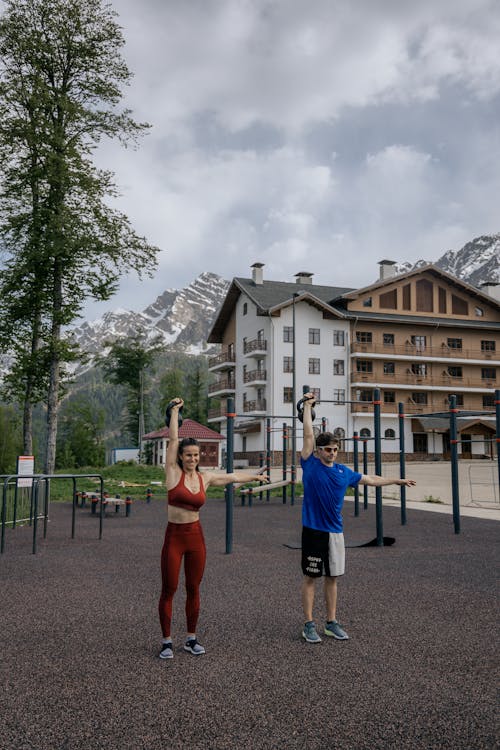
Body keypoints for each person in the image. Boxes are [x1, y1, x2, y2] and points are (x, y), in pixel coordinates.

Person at [299, 393, 416, 644]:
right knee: (311, 578)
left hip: (335, 532)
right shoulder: (309, 463)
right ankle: (309, 624)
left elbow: (371, 480)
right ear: (318, 451)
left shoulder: (344, 472)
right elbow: (308, 434)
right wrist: (307, 406)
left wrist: (396, 480)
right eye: (328, 450)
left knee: (333, 578)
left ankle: (331, 622)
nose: (332, 453)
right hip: (313, 530)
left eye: (335, 449)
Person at [158, 397, 270, 659]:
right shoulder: (172, 474)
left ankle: (191, 638)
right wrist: (175, 412)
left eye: (196, 455)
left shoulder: (205, 477)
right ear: (181, 457)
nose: (193, 459)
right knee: (170, 588)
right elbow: (173, 439)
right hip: (174, 537)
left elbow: (231, 477)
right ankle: (166, 641)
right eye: (189, 455)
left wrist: (254, 476)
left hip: (196, 537)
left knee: (194, 588)